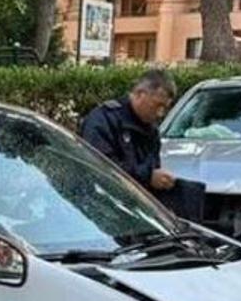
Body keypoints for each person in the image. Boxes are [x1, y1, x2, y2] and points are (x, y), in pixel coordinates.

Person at [80, 70, 204, 219]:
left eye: (165, 108)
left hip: (136, 213)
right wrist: (148, 177)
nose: (160, 113)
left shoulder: (150, 130)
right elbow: (100, 169)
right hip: (103, 211)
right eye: (157, 105)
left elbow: (152, 166)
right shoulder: (103, 120)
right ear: (140, 94)